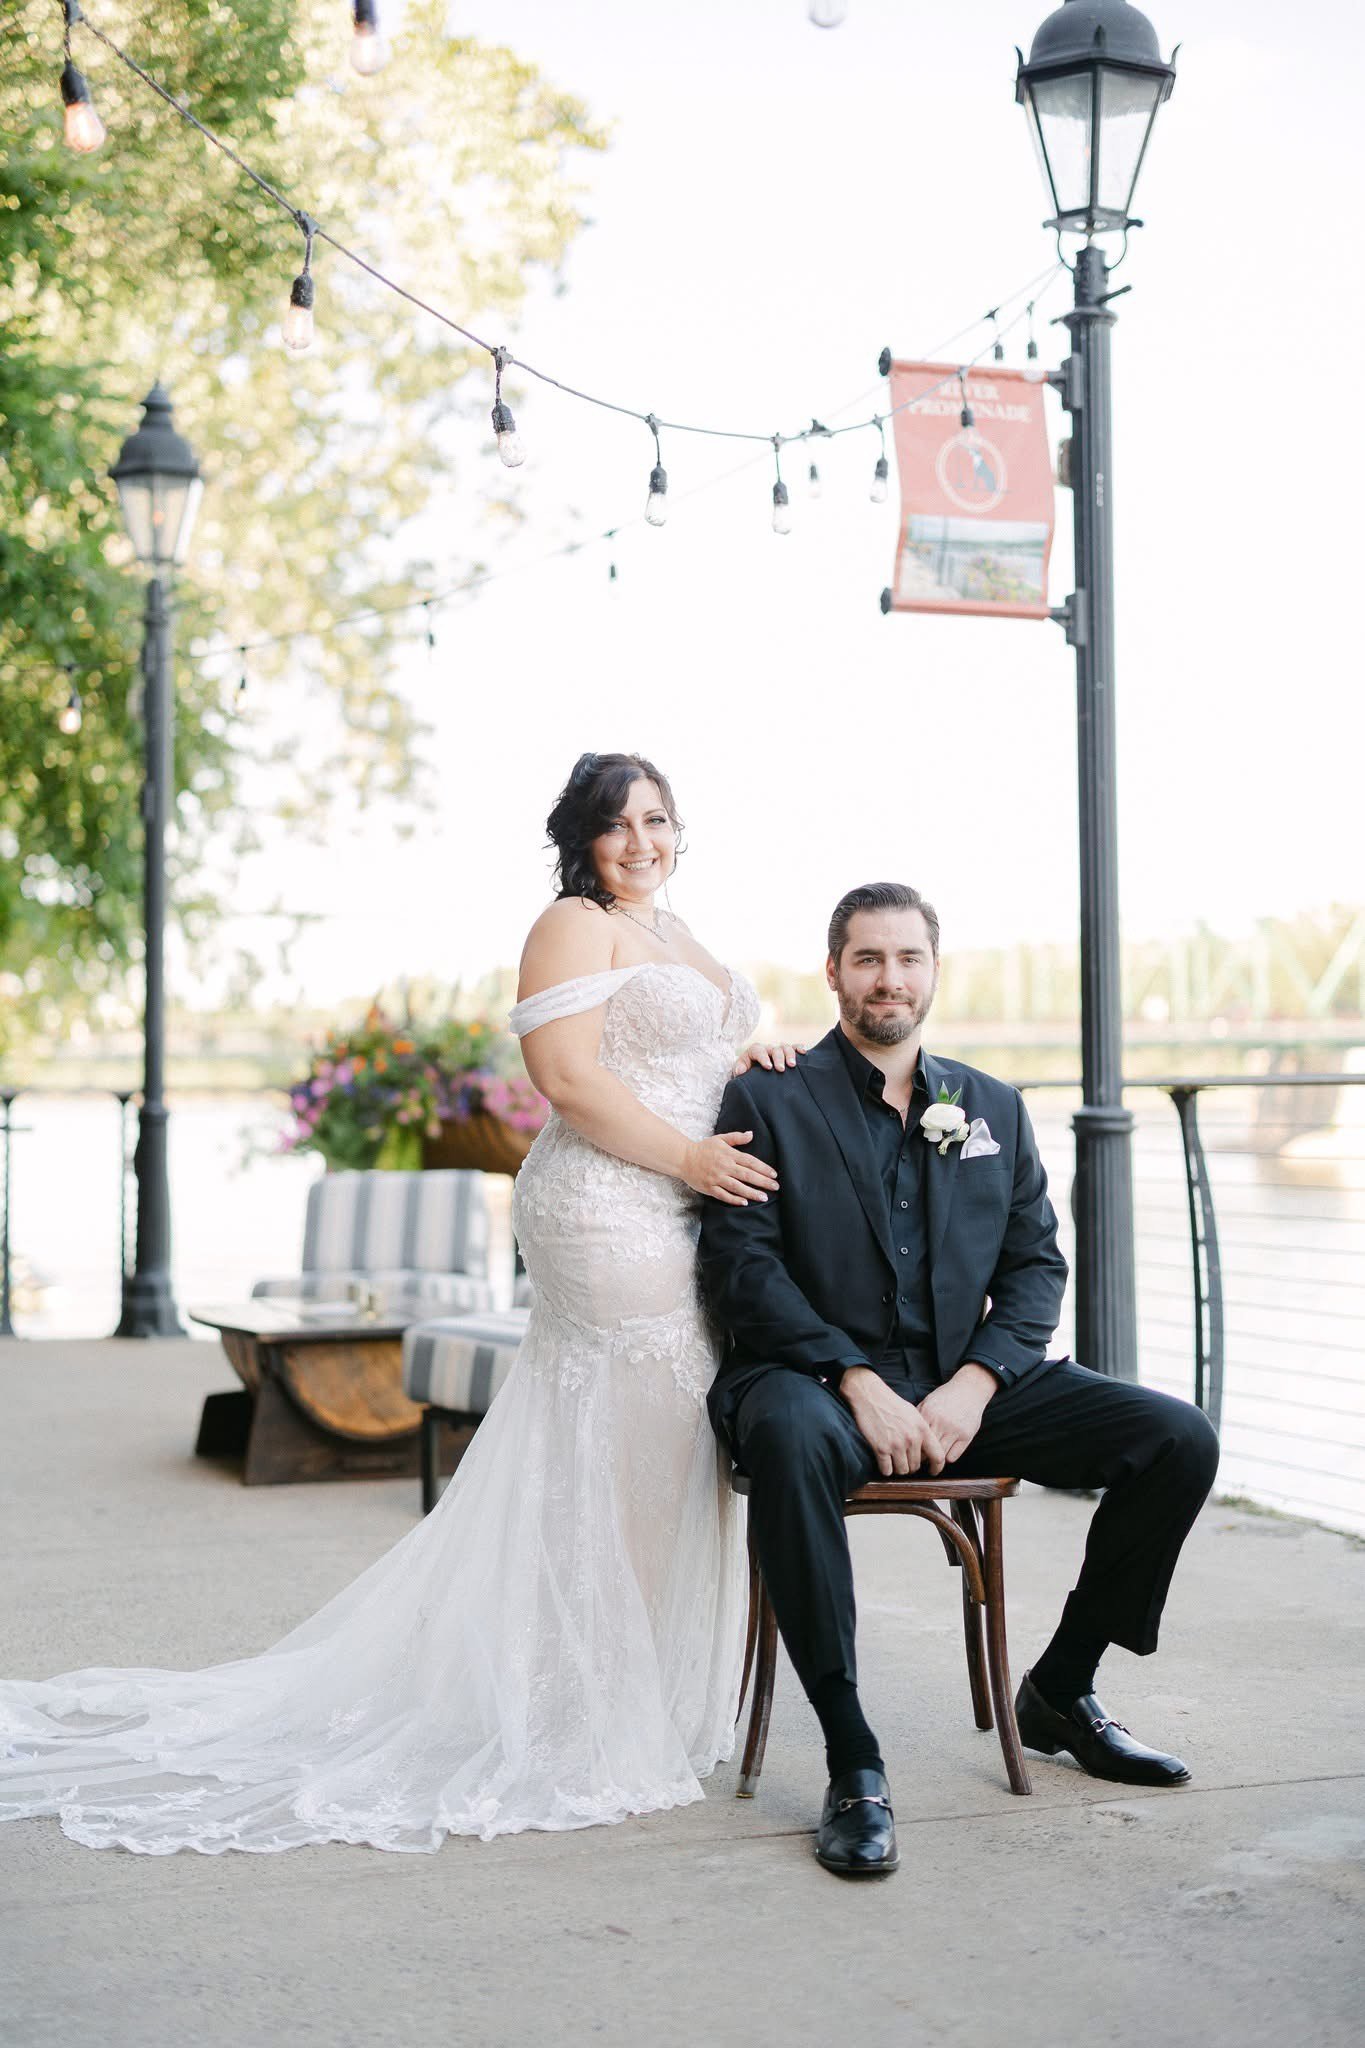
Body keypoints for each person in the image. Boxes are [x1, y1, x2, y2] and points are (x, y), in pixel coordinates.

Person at [0, 751, 797, 1855]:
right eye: (616, 825)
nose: (640, 841)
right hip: (611, 1206)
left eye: (657, 818)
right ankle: (583, 1707)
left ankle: (628, 1690)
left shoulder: (679, 928)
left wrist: (750, 1047)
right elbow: (565, 1080)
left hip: (680, 1203)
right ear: (581, 835)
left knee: (660, 1454)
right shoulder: (570, 920)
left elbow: (684, 1045)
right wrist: (693, 1159)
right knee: (625, 1454)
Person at [699, 882, 1221, 1881]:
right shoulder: (766, 1097)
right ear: (833, 972)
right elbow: (742, 1268)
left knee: (1177, 1437)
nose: (888, 978)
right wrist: (852, 1376)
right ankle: (854, 1758)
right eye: (866, 958)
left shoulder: (989, 1105)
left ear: (934, 970)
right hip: (812, 1379)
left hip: (958, 1387)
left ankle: (1063, 1687)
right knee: (792, 1438)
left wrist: (978, 1382)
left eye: (907, 958)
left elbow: (1035, 1269)